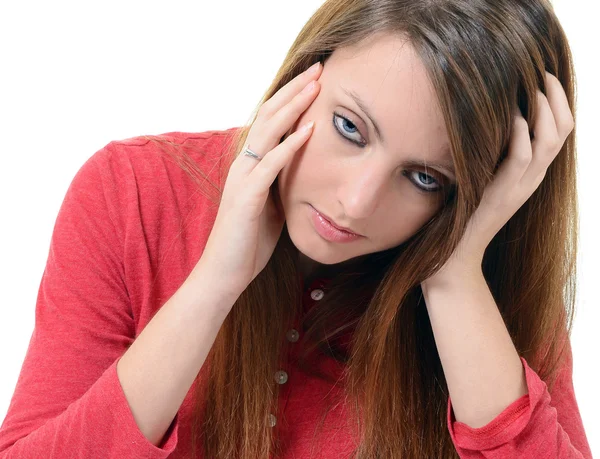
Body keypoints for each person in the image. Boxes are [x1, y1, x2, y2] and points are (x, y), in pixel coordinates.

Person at [0, 0, 593, 457]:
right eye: (350, 128)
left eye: (424, 178)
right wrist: (213, 285)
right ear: (308, 71)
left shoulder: (490, 279)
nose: (357, 203)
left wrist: (455, 276)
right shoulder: (132, 192)